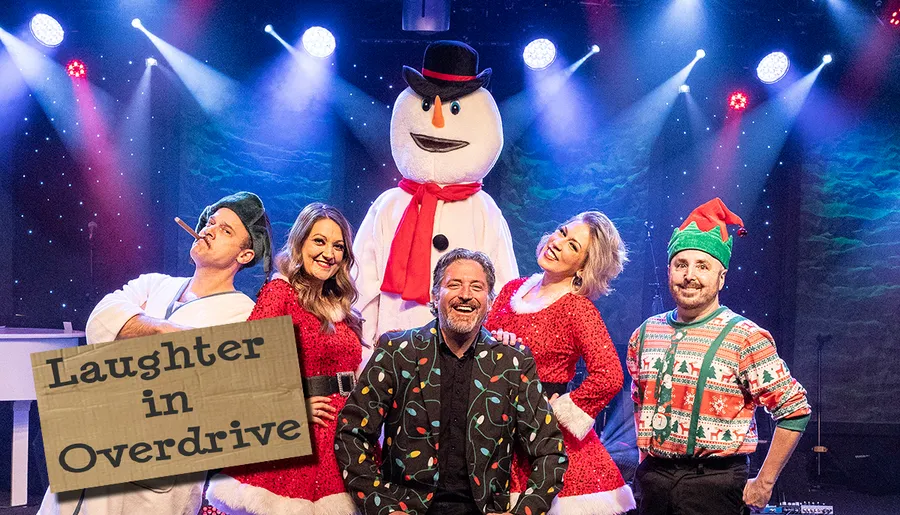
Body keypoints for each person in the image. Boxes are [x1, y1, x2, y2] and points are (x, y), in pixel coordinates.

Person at [37, 191, 274, 515]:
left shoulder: (244, 316)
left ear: (245, 255)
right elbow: (98, 322)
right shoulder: (154, 283)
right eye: (211, 221)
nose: (209, 229)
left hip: (157, 469)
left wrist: (131, 328)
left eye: (226, 230)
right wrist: (163, 331)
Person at [335, 248, 567, 515]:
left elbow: (551, 450)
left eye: (476, 287)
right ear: (435, 295)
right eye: (454, 285)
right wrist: (381, 506)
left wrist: (525, 512)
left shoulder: (513, 362)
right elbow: (352, 431)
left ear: (490, 301)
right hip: (407, 508)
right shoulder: (397, 350)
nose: (466, 294)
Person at [627, 198, 811, 515]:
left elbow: (795, 410)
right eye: (681, 264)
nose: (689, 275)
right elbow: (640, 400)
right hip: (654, 481)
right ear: (669, 270)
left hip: (715, 485)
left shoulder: (745, 337)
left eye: (702, 266)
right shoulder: (645, 333)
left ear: (721, 277)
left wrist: (764, 483)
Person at [206, 203, 364, 515]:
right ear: (300, 242)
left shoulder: (341, 306)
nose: (328, 253)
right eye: (319, 241)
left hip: (343, 436)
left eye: (338, 246)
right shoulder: (281, 291)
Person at [486, 211, 636, 515]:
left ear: (584, 266)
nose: (557, 242)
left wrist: (558, 411)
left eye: (572, 246)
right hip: (493, 427)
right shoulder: (511, 290)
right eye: (561, 232)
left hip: (544, 442)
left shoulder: (577, 308)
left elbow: (609, 375)